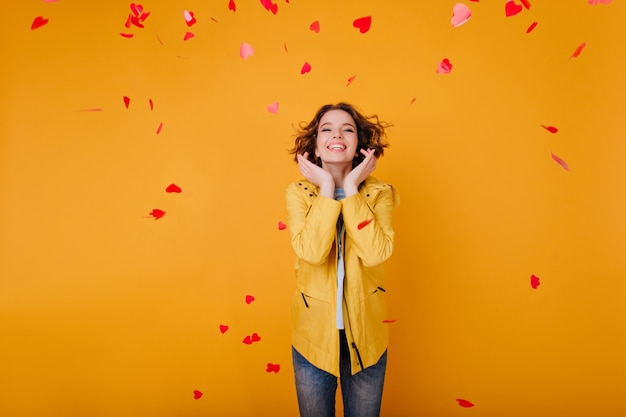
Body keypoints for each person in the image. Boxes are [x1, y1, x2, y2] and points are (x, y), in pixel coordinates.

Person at [285, 103, 400, 417]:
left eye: (347, 129)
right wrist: (326, 188)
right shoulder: (299, 193)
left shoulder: (379, 194)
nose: (337, 134)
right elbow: (311, 252)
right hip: (312, 341)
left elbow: (376, 253)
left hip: (367, 341)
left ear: (359, 146)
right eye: (327, 129)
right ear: (316, 146)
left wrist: (349, 189)